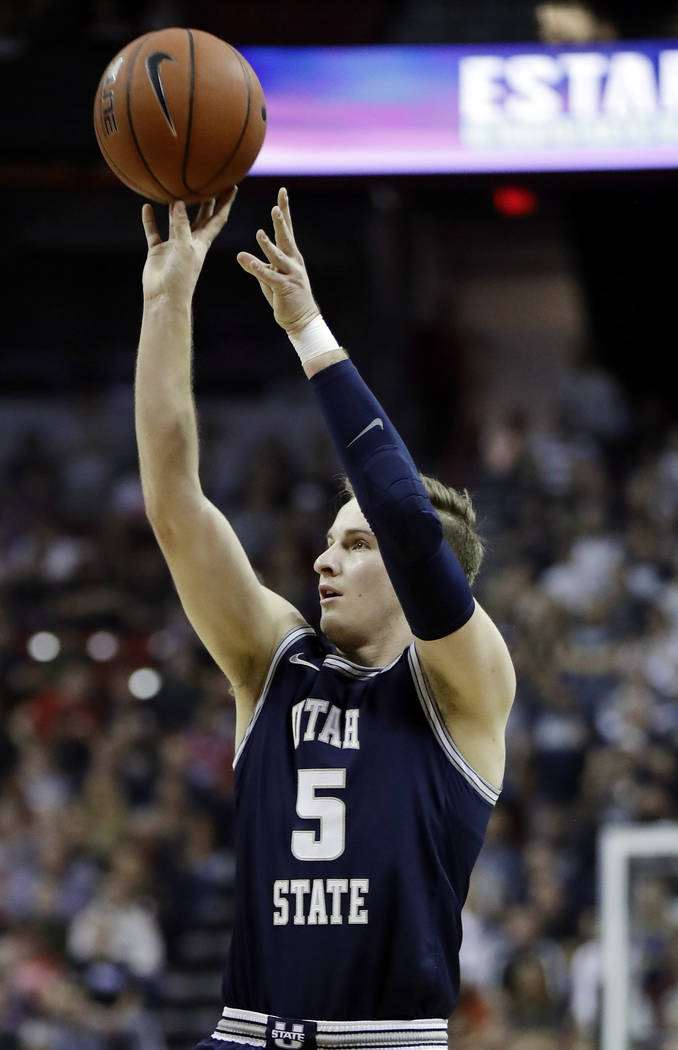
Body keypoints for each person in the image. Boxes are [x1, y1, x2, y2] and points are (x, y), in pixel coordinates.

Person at [135, 187, 516, 1050]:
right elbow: (174, 505)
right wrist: (167, 296)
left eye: (354, 545)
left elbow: (409, 523)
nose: (322, 560)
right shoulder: (273, 659)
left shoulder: (467, 688)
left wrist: (308, 327)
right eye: (329, 542)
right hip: (242, 1034)